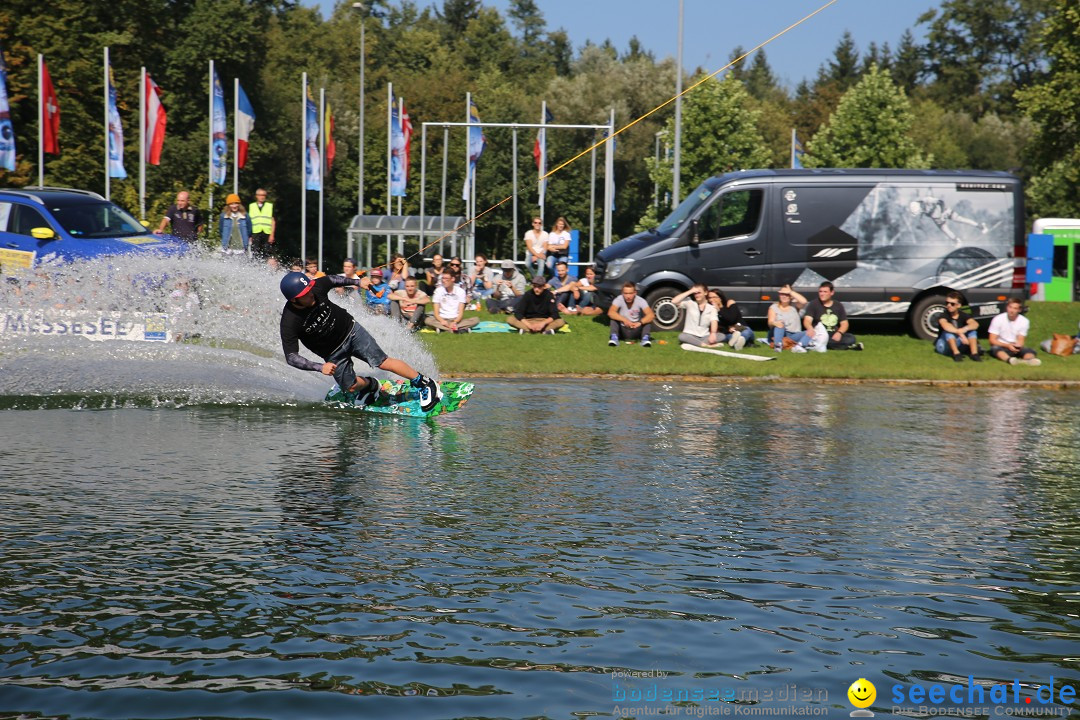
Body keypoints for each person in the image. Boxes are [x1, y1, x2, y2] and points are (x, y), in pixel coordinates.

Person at [278, 271, 441, 412]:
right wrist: (320, 367)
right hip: (332, 353)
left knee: (382, 362)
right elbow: (291, 356)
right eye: (304, 295)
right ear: (294, 300)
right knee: (350, 387)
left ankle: (425, 383)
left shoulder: (315, 287)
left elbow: (333, 280)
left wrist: (358, 282)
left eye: (309, 289)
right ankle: (372, 386)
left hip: (352, 331)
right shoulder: (290, 321)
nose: (310, 294)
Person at [802, 281, 863, 350]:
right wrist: (810, 329)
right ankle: (849, 347)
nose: (822, 294)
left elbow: (844, 323)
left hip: (833, 334)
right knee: (818, 338)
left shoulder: (838, 305)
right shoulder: (813, 304)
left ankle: (822, 345)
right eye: (820, 291)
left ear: (832, 293)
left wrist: (839, 333)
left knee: (851, 338)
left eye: (825, 292)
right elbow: (807, 320)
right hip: (819, 334)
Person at [988, 297, 1041, 366]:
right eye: (1010, 307)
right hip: (1001, 345)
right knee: (995, 349)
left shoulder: (1024, 321)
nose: (1012, 310)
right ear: (1007, 307)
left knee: (1029, 350)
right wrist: (1007, 345)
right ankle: (1009, 360)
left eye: (1015, 308)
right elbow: (992, 340)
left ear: (1019, 310)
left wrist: (1017, 346)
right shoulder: (998, 319)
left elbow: (1021, 339)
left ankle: (1028, 361)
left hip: (1014, 346)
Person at [935, 291, 982, 362]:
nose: (949, 305)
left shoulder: (963, 315)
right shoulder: (943, 315)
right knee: (948, 332)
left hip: (959, 343)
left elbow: (975, 324)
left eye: (952, 304)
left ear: (959, 305)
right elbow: (945, 326)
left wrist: (965, 329)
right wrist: (961, 334)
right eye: (947, 303)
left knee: (972, 331)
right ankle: (956, 354)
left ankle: (974, 354)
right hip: (943, 346)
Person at [608, 282, 655, 347]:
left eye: (630, 293)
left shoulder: (641, 301)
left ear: (635, 293)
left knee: (648, 319)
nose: (628, 296)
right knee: (613, 318)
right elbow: (610, 313)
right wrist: (624, 320)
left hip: (637, 329)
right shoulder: (619, 299)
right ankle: (614, 338)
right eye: (626, 293)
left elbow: (651, 315)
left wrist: (639, 323)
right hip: (623, 329)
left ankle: (645, 339)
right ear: (622, 293)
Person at [768, 284, 810, 351]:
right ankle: (778, 346)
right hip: (781, 333)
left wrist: (790, 292)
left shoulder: (795, 306)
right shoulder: (774, 307)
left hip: (794, 335)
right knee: (780, 325)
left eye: (787, 294)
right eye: (782, 294)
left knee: (810, 332)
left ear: (791, 296)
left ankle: (800, 346)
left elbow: (804, 301)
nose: (784, 296)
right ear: (779, 295)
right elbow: (770, 322)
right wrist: (775, 323)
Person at [248, 188, 275, 256]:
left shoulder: (269, 206)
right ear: (256, 196)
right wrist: (249, 235)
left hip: (266, 232)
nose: (262, 197)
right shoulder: (251, 206)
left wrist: (272, 235)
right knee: (255, 251)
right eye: (260, 195)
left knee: (266, 251)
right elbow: (249, 221)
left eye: (264, 195)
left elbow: (273, 221)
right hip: (255, 232)